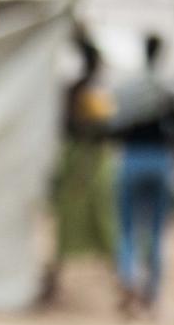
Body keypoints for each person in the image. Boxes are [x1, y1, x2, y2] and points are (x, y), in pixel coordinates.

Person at [37, 31, 117, 308]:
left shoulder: (77, 92)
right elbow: (100, 131)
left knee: (89, 226)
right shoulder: (87, 94)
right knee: (95, 225)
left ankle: (122, 287)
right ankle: (123, 288)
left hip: (81, 162)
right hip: (85, 163)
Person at [110, 33, 174, 318]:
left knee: (127, 228)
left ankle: (129, 280)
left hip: (131, 159)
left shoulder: (128, 90)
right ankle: (151, 294)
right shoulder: (168, 90)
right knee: (154, 232)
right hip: (161, 161)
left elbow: (113, 126)